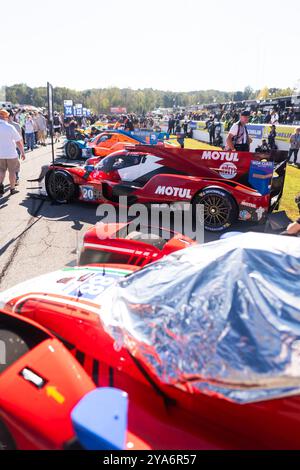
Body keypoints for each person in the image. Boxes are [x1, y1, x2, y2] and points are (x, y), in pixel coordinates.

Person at [0, 109, 25, 196]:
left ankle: (0, 186)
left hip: (0, 154)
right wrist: (22, 152)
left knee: (1, 170)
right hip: (11, 154)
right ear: (5, 117)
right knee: (12, 172)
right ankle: (12, 189)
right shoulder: (10, 127)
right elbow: (18, 141)